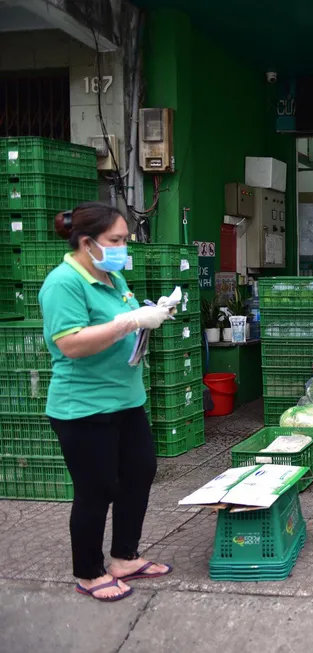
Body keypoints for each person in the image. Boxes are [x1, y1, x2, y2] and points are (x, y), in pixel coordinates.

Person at [40, 203, 174, 602]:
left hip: (126, 400)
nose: (122, 247)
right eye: (115, 240)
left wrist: (151, 313)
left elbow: (125, 319)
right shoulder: (63, 283)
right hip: (83, 406)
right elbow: (70, 343)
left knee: (139, 474)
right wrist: (128, 323)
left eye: (124, 240)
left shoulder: (113, 276)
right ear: (87, 242)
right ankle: (88, 571)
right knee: (96, 488)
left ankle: (124, 557)